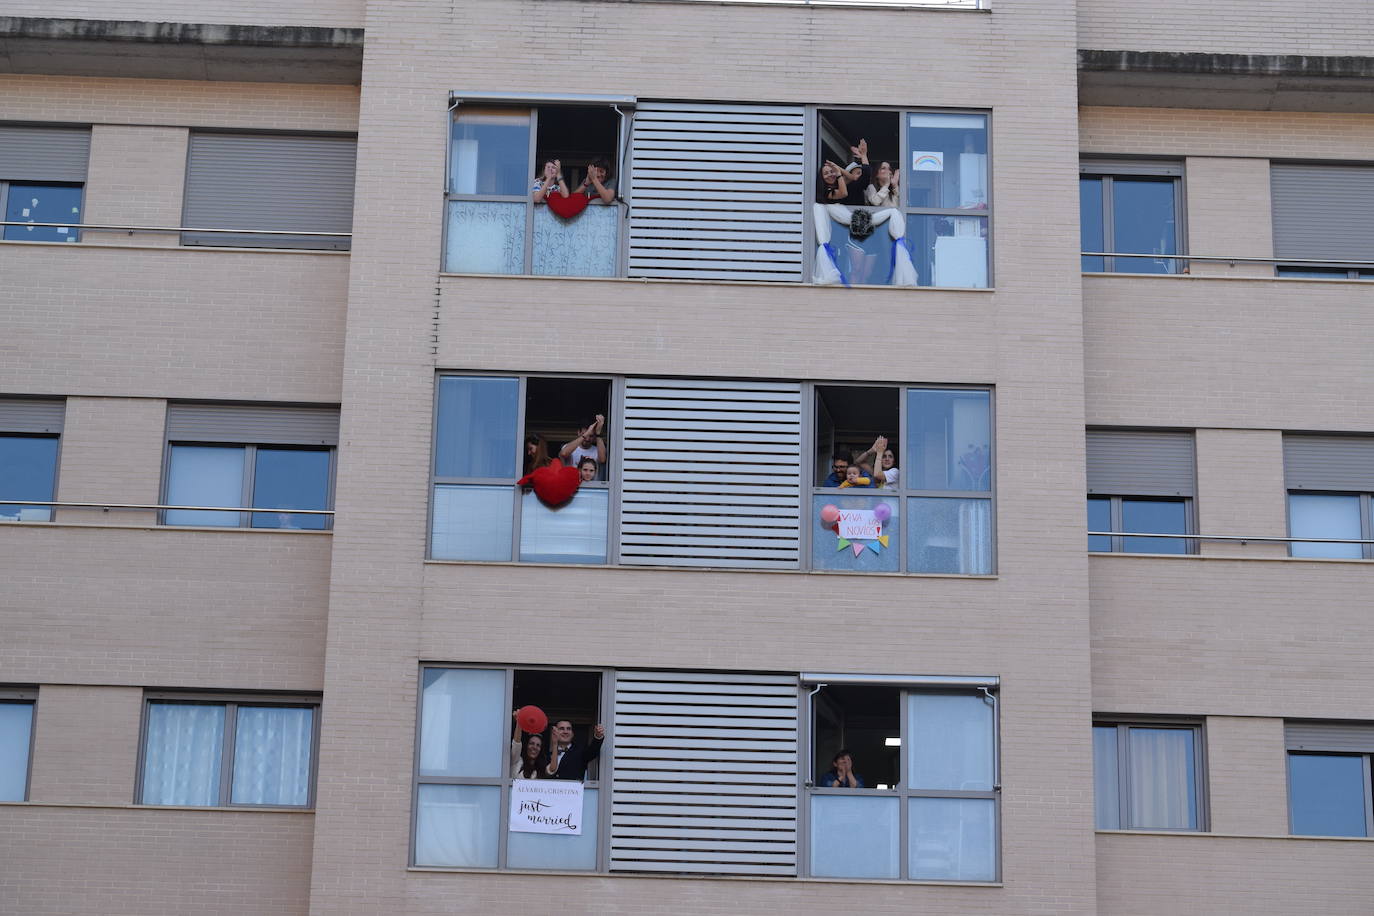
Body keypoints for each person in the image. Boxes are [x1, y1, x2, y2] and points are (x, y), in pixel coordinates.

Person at [511, 713, 545, 780]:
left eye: (538, 745)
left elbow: (552, 769)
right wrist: (519, 722)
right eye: (531, 743)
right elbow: (516, 743)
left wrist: (555, 743)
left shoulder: (541, 768)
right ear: (526, 745)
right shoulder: (517, 760)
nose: (534, 747)